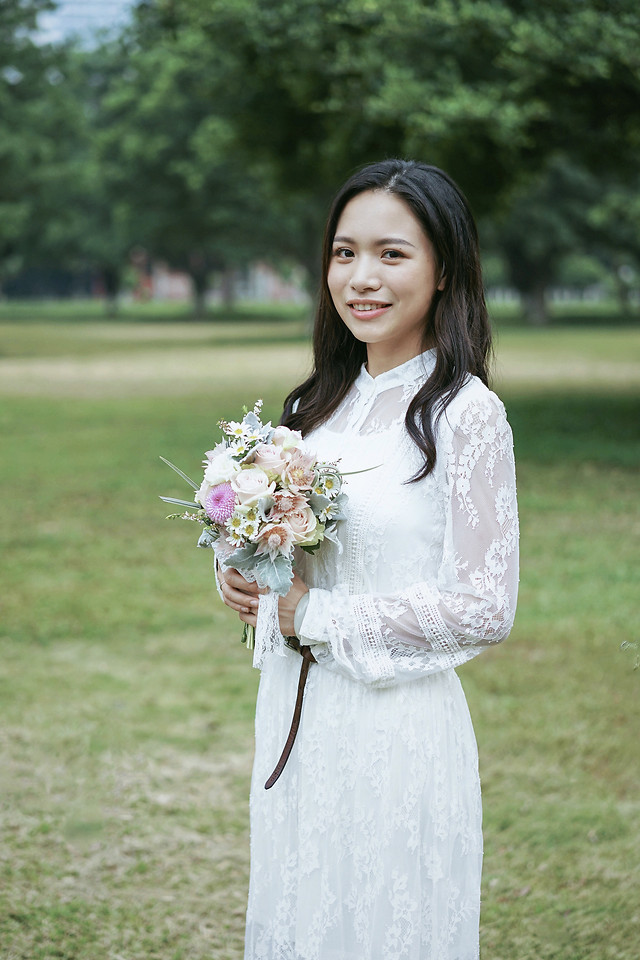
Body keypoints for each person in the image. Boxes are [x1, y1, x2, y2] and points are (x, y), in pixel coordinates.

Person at [217, 158, 519, 960]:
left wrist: (314, 614)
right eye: (345, 253)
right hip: (298, 717)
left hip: (397, 727)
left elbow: (485, 606)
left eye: (392, 254)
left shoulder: (465, 415)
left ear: (444, 269)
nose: (362, 278)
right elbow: (286, 550)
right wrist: (243, 573)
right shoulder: (311, 407)